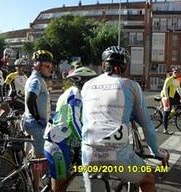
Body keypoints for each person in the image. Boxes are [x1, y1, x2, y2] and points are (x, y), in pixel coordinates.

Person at [81, 46, 168, 192]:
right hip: (117, 153)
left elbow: (85, 119)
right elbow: (147, 125)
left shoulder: (87, 86)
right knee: (147, 180)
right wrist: (157, 152)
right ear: (124, 67)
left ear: (103, 65)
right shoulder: (131, 85)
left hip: (89, 152)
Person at [44, 66, 97, 192]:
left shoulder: (79, 94)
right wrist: (86, 142)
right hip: (57, 143)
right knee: (59, 187)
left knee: (66, 180)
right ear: (82, 82)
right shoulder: (75, 94)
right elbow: (73, 121)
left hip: (64, 141)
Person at [22, 49, 53, 192]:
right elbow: (30, 99)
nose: (50, 69)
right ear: (38, 65)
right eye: (47, 66)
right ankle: (36, 186)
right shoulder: (36, 80)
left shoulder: (36, 79)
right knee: (42, 159)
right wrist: (38, 118)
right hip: (35, 125)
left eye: (51, 66)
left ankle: (35, 181)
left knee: (37, 157)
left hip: (33, 123)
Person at [160, 66, 181, 134]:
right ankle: (165, 129)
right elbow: (165, 88)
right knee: (166, 112)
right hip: (165, 97)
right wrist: (167, 98)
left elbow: (178, 89)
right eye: (175, 72)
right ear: (172, 72)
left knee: (179, 104)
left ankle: (171, 114)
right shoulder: (169, 79)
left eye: (178, 72)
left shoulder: (176, 80)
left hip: (170, 97)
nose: (176, 73)